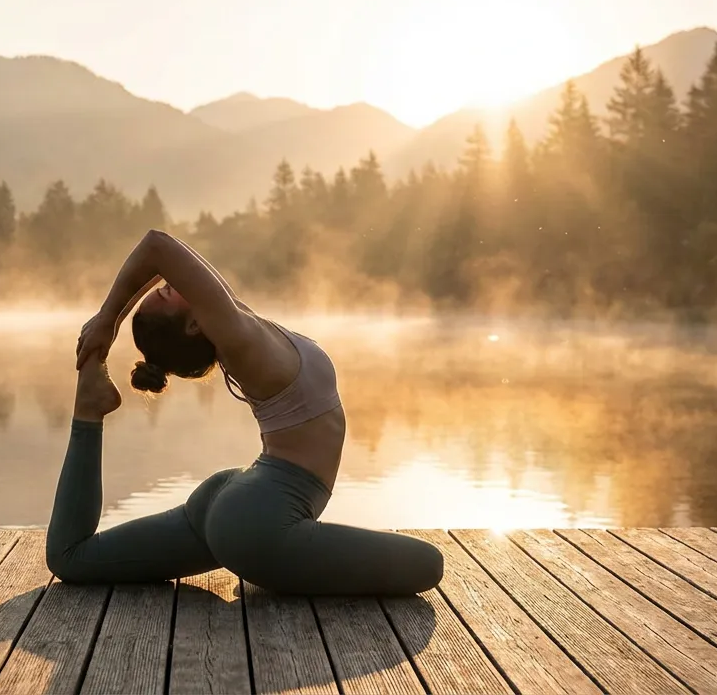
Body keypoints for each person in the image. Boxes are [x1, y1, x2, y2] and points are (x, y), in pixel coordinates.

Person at [47, 229, 444, 595]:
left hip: (234, 498)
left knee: (73, 559)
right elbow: (157, 247)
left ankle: (88, 411)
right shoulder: (236, 336)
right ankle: (90, 407)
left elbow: (170, 260)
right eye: (169, 293)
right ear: (193, 327)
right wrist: (107, 320)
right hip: (259, 518)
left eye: (167, 287)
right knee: (429, 564)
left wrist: (112, 321)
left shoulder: (239, 324)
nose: (172, 283)